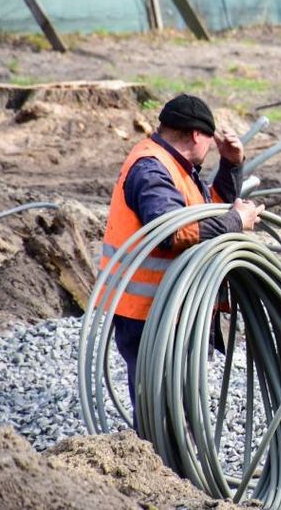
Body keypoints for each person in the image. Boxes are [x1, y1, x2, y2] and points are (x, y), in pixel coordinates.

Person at [99, 93, 264, 406]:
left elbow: (205, 214)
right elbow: (174, 231)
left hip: (171, 308)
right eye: (209, 139)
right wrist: (237, 220)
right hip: (151, 312)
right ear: (197, 134)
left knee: (179, 403)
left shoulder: (174, 165)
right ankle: (160, 456)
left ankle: (173, 454)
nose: (210, 148)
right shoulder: (152, 169)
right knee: (163, 408)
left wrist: (231, 164)